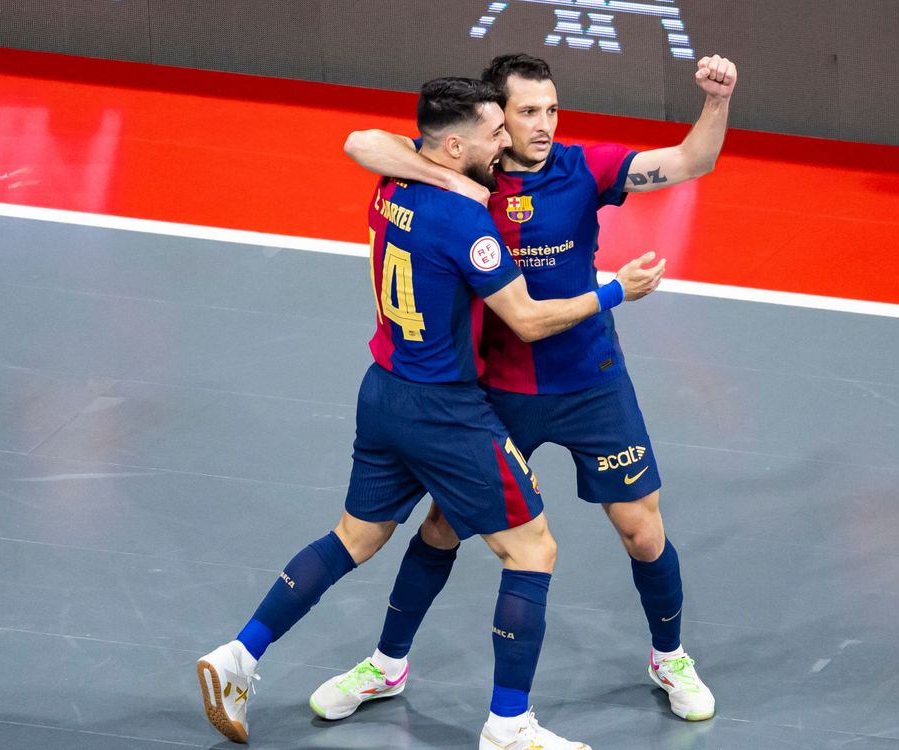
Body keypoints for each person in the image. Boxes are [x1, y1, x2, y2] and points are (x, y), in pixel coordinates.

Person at [194, 77, 665, 750]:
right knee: (532, 549)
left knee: (355, 538)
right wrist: (616, 290)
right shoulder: (466, 222)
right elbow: (528, 321)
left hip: (383, 391)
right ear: (453, 147)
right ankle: (509, 725)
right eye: (494, 133)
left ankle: (239, 655)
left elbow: (370, 144)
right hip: (445, 409)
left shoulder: (390, 187)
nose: (505, 143)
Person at [318, 52, 736, 725]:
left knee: (641, 530)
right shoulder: (470, 175)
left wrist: (717, 100)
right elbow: (363, 143)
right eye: (528, 112)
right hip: (498, 390)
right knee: (442, 527)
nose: (544, 125)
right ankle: (387, 663)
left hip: (592, 384)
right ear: (496, 119)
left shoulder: (583, 168)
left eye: (552, 110)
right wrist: (445, 177)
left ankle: (670, 656)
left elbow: (692, 161)